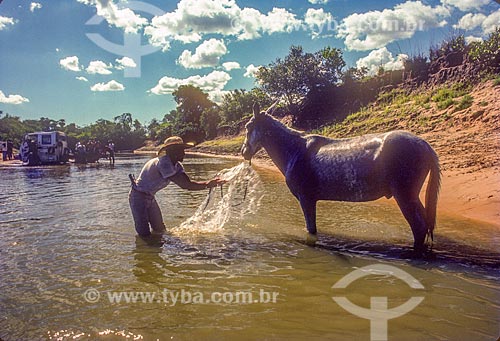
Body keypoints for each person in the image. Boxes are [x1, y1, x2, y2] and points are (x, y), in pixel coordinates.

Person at [129, 136, 226, 237]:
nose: (184, 153)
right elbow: (186, 185)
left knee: (160, 229)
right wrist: (209, 184)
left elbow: (188, 182)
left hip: (150, 196)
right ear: (172, 151)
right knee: (144, 232)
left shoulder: (177, 166)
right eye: (181, 150)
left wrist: (210, 183)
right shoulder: (164, 163)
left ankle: (157, 247)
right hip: (138, 196)